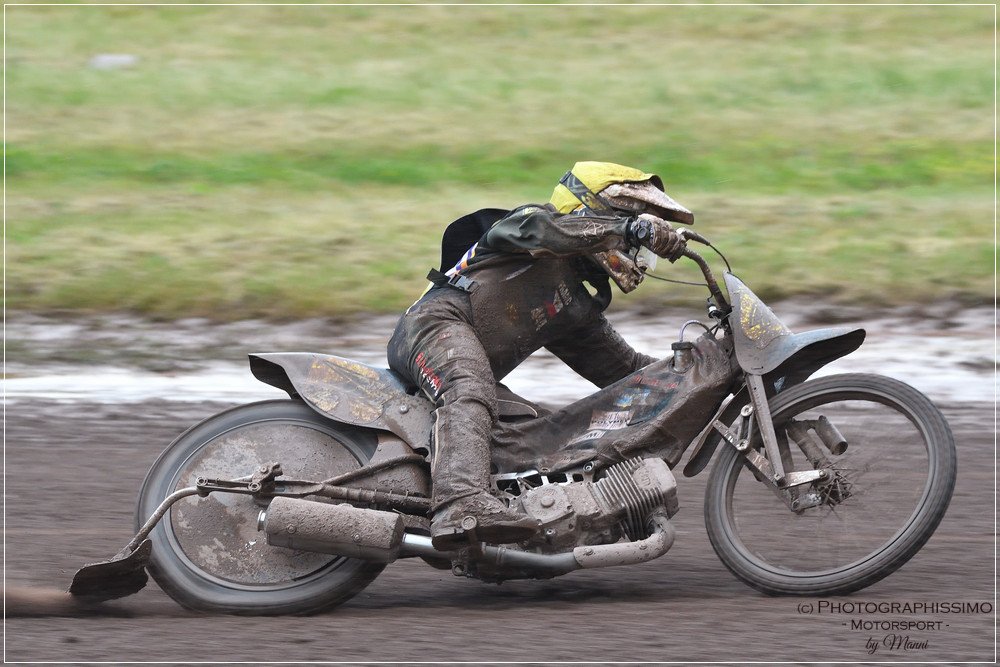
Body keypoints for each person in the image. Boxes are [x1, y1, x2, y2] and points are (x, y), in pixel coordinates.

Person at [387, 161, 694, 549]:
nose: (638, 250)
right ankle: (459, 504)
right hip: (431, 325)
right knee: (468, 386)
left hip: (469, 364)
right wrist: (624, 229)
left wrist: (702, 369)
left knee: (540, 436)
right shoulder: (528, 224)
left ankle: (514, 536)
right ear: (594, 211)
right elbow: (544, 231)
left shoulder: (575, 303)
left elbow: (628, 373)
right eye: (637, 229)